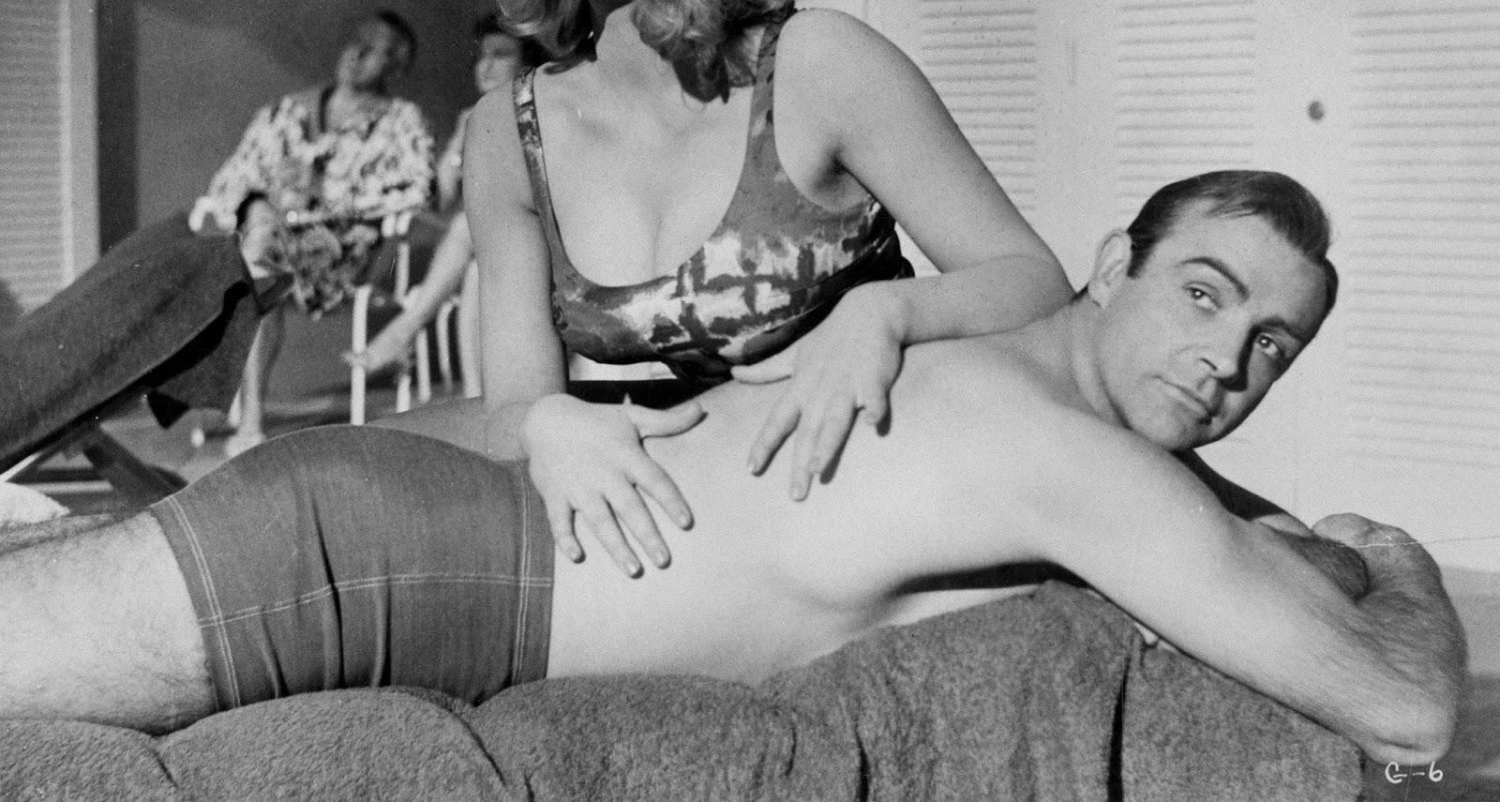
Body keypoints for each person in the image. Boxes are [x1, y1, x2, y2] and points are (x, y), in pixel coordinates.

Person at [0, 172, 1465, 767]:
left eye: (1271, 344)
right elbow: (1407, 702)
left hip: (415, 526)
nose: (1225, 360)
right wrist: (1394, 558)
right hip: (394, 564)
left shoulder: (1007, 366)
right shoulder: (1076, 461)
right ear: (1112, 261)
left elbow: (1214, 519)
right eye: (1204, 295)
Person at [460, 0, 1073, 577]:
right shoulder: (506, 132)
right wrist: (546, 421)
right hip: (682, 565)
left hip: (896, 526)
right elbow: (510, 408)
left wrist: (885, 312)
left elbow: (1035, 284)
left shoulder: (820, 67)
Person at [190, 10, 436, 453]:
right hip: (273, 242)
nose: (356, 53)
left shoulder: (400, 121)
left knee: (252, 266)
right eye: (355, 40)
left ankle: (247, 421)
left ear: (397, 66)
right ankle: (248, 419)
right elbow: (228, 181)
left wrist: (325, 190)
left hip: (343, 254)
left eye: (374, 48)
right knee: (257, 254)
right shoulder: (285, 112)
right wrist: (258, 204)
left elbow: (419, 188)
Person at [345, 15, 537, 396]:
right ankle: (476, 399)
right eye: (482, 56)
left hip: (535, 237)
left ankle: (406, 328)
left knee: (468, 225)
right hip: (488, 250)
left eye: (500, 55)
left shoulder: (537, 112)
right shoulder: (473, 119)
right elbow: (440, 199)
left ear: (527, 64)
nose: (486, 65)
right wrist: (457, 147)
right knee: (475, 272)